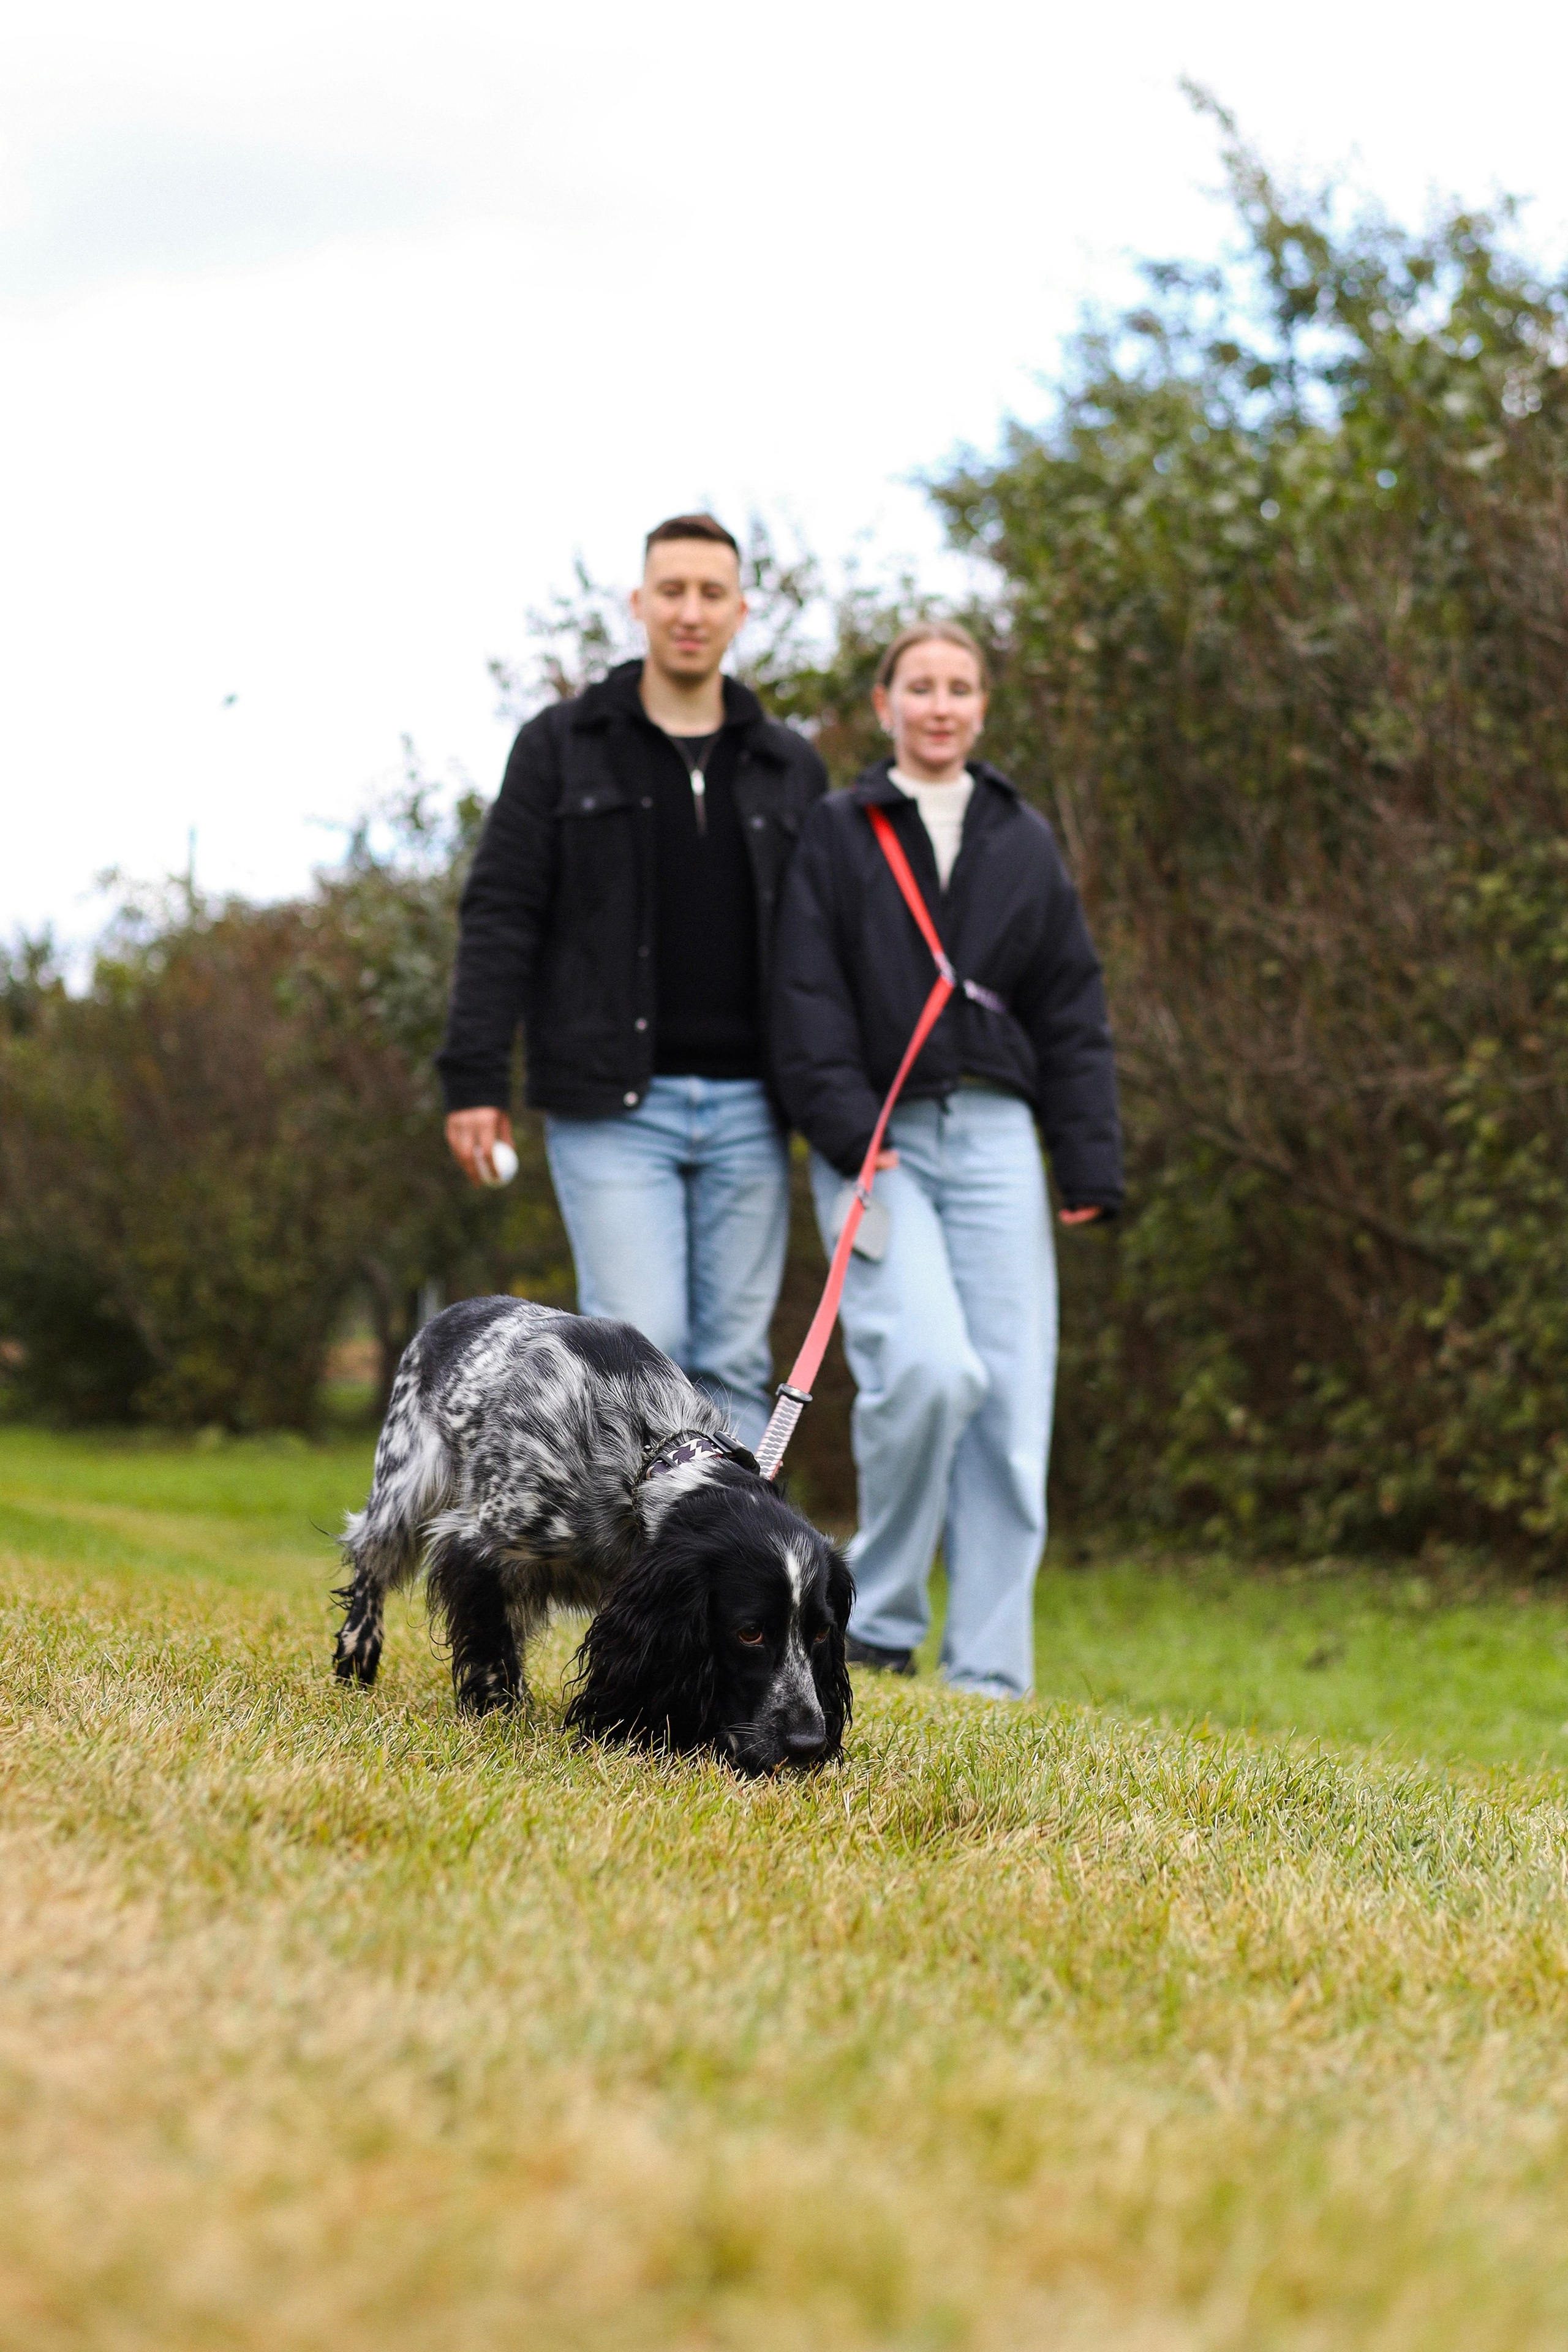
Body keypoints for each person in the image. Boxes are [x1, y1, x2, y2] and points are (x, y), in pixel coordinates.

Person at [771, 622, 1122, 1698]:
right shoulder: (837, 830)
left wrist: (1087, 1162)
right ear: (885, 705)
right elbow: (803, 992)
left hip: (1001, 1139)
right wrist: (843, 1131)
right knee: (930, 1371)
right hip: (877, 1142)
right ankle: (875, 1619)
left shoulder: (1023, 837)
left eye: (960, 688)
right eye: (919, 686)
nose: (940, 705)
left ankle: (990, 1677)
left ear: (982, 708)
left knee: (1013, 1408)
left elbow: (1071, 1005)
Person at [437, 514, 827, 1452]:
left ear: (741, 610)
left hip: (753, 1106)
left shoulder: (789, 766)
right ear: (639, 603)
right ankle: (633, 1586)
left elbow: (829, 944)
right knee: (634, 1358)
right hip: (612, 1103)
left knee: (734, 1359)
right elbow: (501, 913)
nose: (689, 611)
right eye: (671, 591)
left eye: (710, 593)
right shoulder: (562, 744)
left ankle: (720, 1592)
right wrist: (474, 1080)